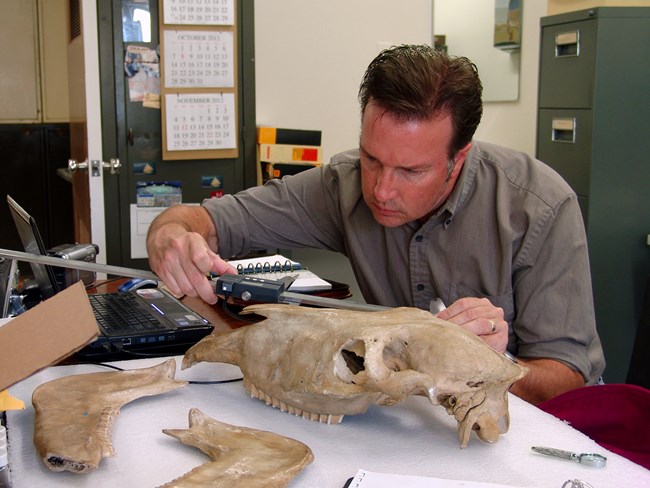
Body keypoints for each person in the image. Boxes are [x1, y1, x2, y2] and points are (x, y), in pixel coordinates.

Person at [147, 44, 605, 405]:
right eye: (372, 159)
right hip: (415, 415)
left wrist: (489, 363)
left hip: (522, 420)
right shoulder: (342, 185)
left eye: (411, 172)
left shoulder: (538, 207)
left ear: (457, 158)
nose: (382, 190)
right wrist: (169, 236)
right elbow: (199, 220)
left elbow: (568, 379)